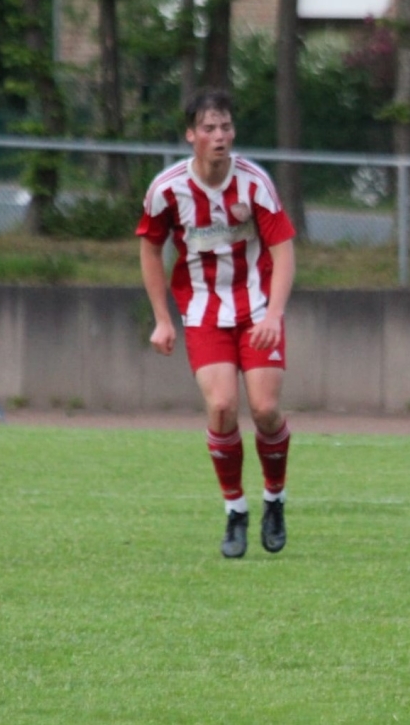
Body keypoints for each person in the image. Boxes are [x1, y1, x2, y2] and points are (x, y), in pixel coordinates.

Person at [136, 88, 297, 560]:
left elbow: (284, 249)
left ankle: (274, 499)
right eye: (208, 128)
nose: (219, 135)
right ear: (191, 135)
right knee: (223, 407)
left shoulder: (254, 183)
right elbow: (149, 248)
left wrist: (274, 314)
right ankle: (235, 510)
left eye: (225, 126)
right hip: (205, 311)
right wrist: (162, 319)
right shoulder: (167, 189)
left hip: (256, 310)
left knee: (265, 410)